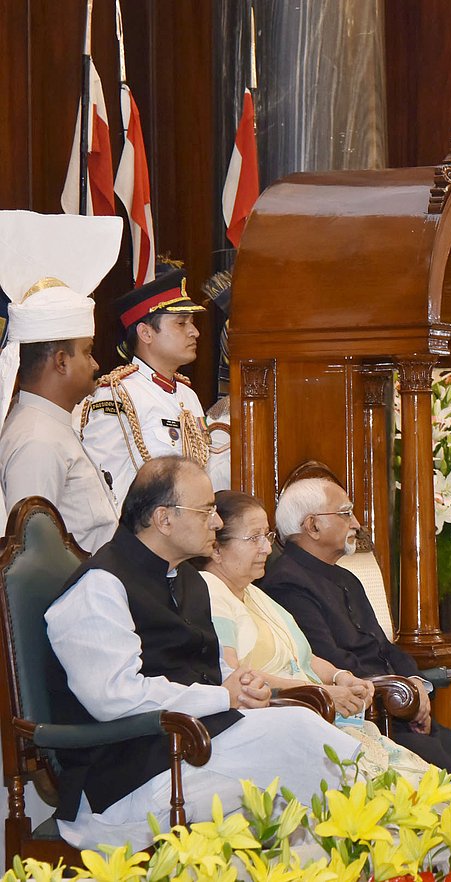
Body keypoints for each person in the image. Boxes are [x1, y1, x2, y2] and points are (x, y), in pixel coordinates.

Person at [45, 457, 359, 850]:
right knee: (300, 742)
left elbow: (210, 665)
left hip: (191, 747)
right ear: (164, 519)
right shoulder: (100, 586)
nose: (216, 522)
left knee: (300, 800)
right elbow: (115, 697)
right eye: (206, 510)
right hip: (125, 776)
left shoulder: (187, 577)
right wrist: (222, 696)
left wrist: (242, 683)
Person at [259, 477, 451, 779]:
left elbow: (384, 647)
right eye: (345, 513)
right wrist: (399, 689)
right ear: (312, 526)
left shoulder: (346, 579)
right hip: (366, 721)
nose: (356, 523)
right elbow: (325, 659)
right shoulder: (286, 582)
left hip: (400, 712)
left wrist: (414, 682)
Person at [201, 490, 431, 783]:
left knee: (430, 788)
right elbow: (233, 675)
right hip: (278, 726)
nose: (267, 549)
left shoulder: (256, 593)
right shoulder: (210, 590)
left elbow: (306, 657)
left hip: (316, 715)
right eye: (253, 538)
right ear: (216, 550)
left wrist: (340, 677)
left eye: (267, 537)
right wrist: (314, 692)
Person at [0, 211, 122, 551]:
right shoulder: (38, 440)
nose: (96, 364)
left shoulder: (49, 427)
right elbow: (34, 559)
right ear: (61, 361)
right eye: (87, 352)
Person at [79, 264, 230, 508]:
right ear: (146, 333)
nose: (195, 332)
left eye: (191, 322)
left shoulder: (187, 394)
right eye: (181, 324)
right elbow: (104, 485)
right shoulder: (119, 395)